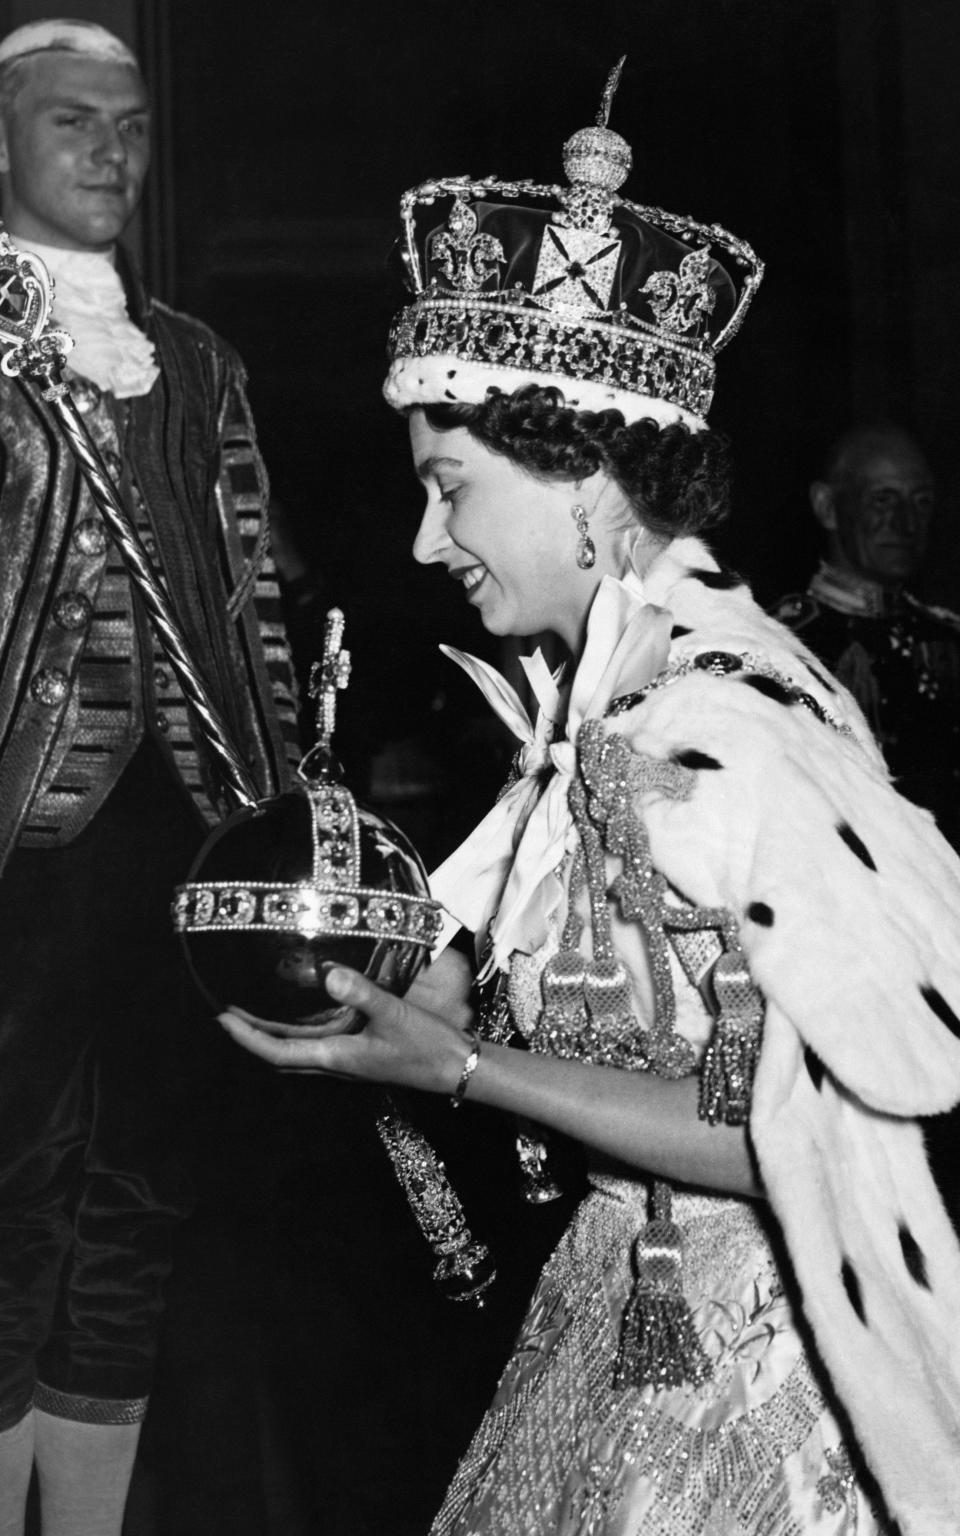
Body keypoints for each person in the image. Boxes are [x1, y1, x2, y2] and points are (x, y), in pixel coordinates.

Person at [222, 85, 960, 1535]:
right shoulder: (601, 705)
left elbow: (776, 1133)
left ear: (587, 485)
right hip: (609, 1319)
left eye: (452, 488)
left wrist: (454, 1069)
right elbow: (562, 1003)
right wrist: (361, 971)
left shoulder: (717, 724)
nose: (430, 541)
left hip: (755, 1387)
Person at [0, 19, 299, 1536]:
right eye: (72, 123)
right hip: (22, 840)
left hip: (188, 833)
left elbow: (252, 592)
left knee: (145, 1193)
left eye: (128, 127)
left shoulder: (196, 360)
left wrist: (290, 802)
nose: (111, 154)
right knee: (12, 1197)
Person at [773, 424, 960, 849]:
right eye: (883, 499)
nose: (906, 523)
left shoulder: (946, 639)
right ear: (827, 506)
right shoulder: (788, 646)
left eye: (922, 502)